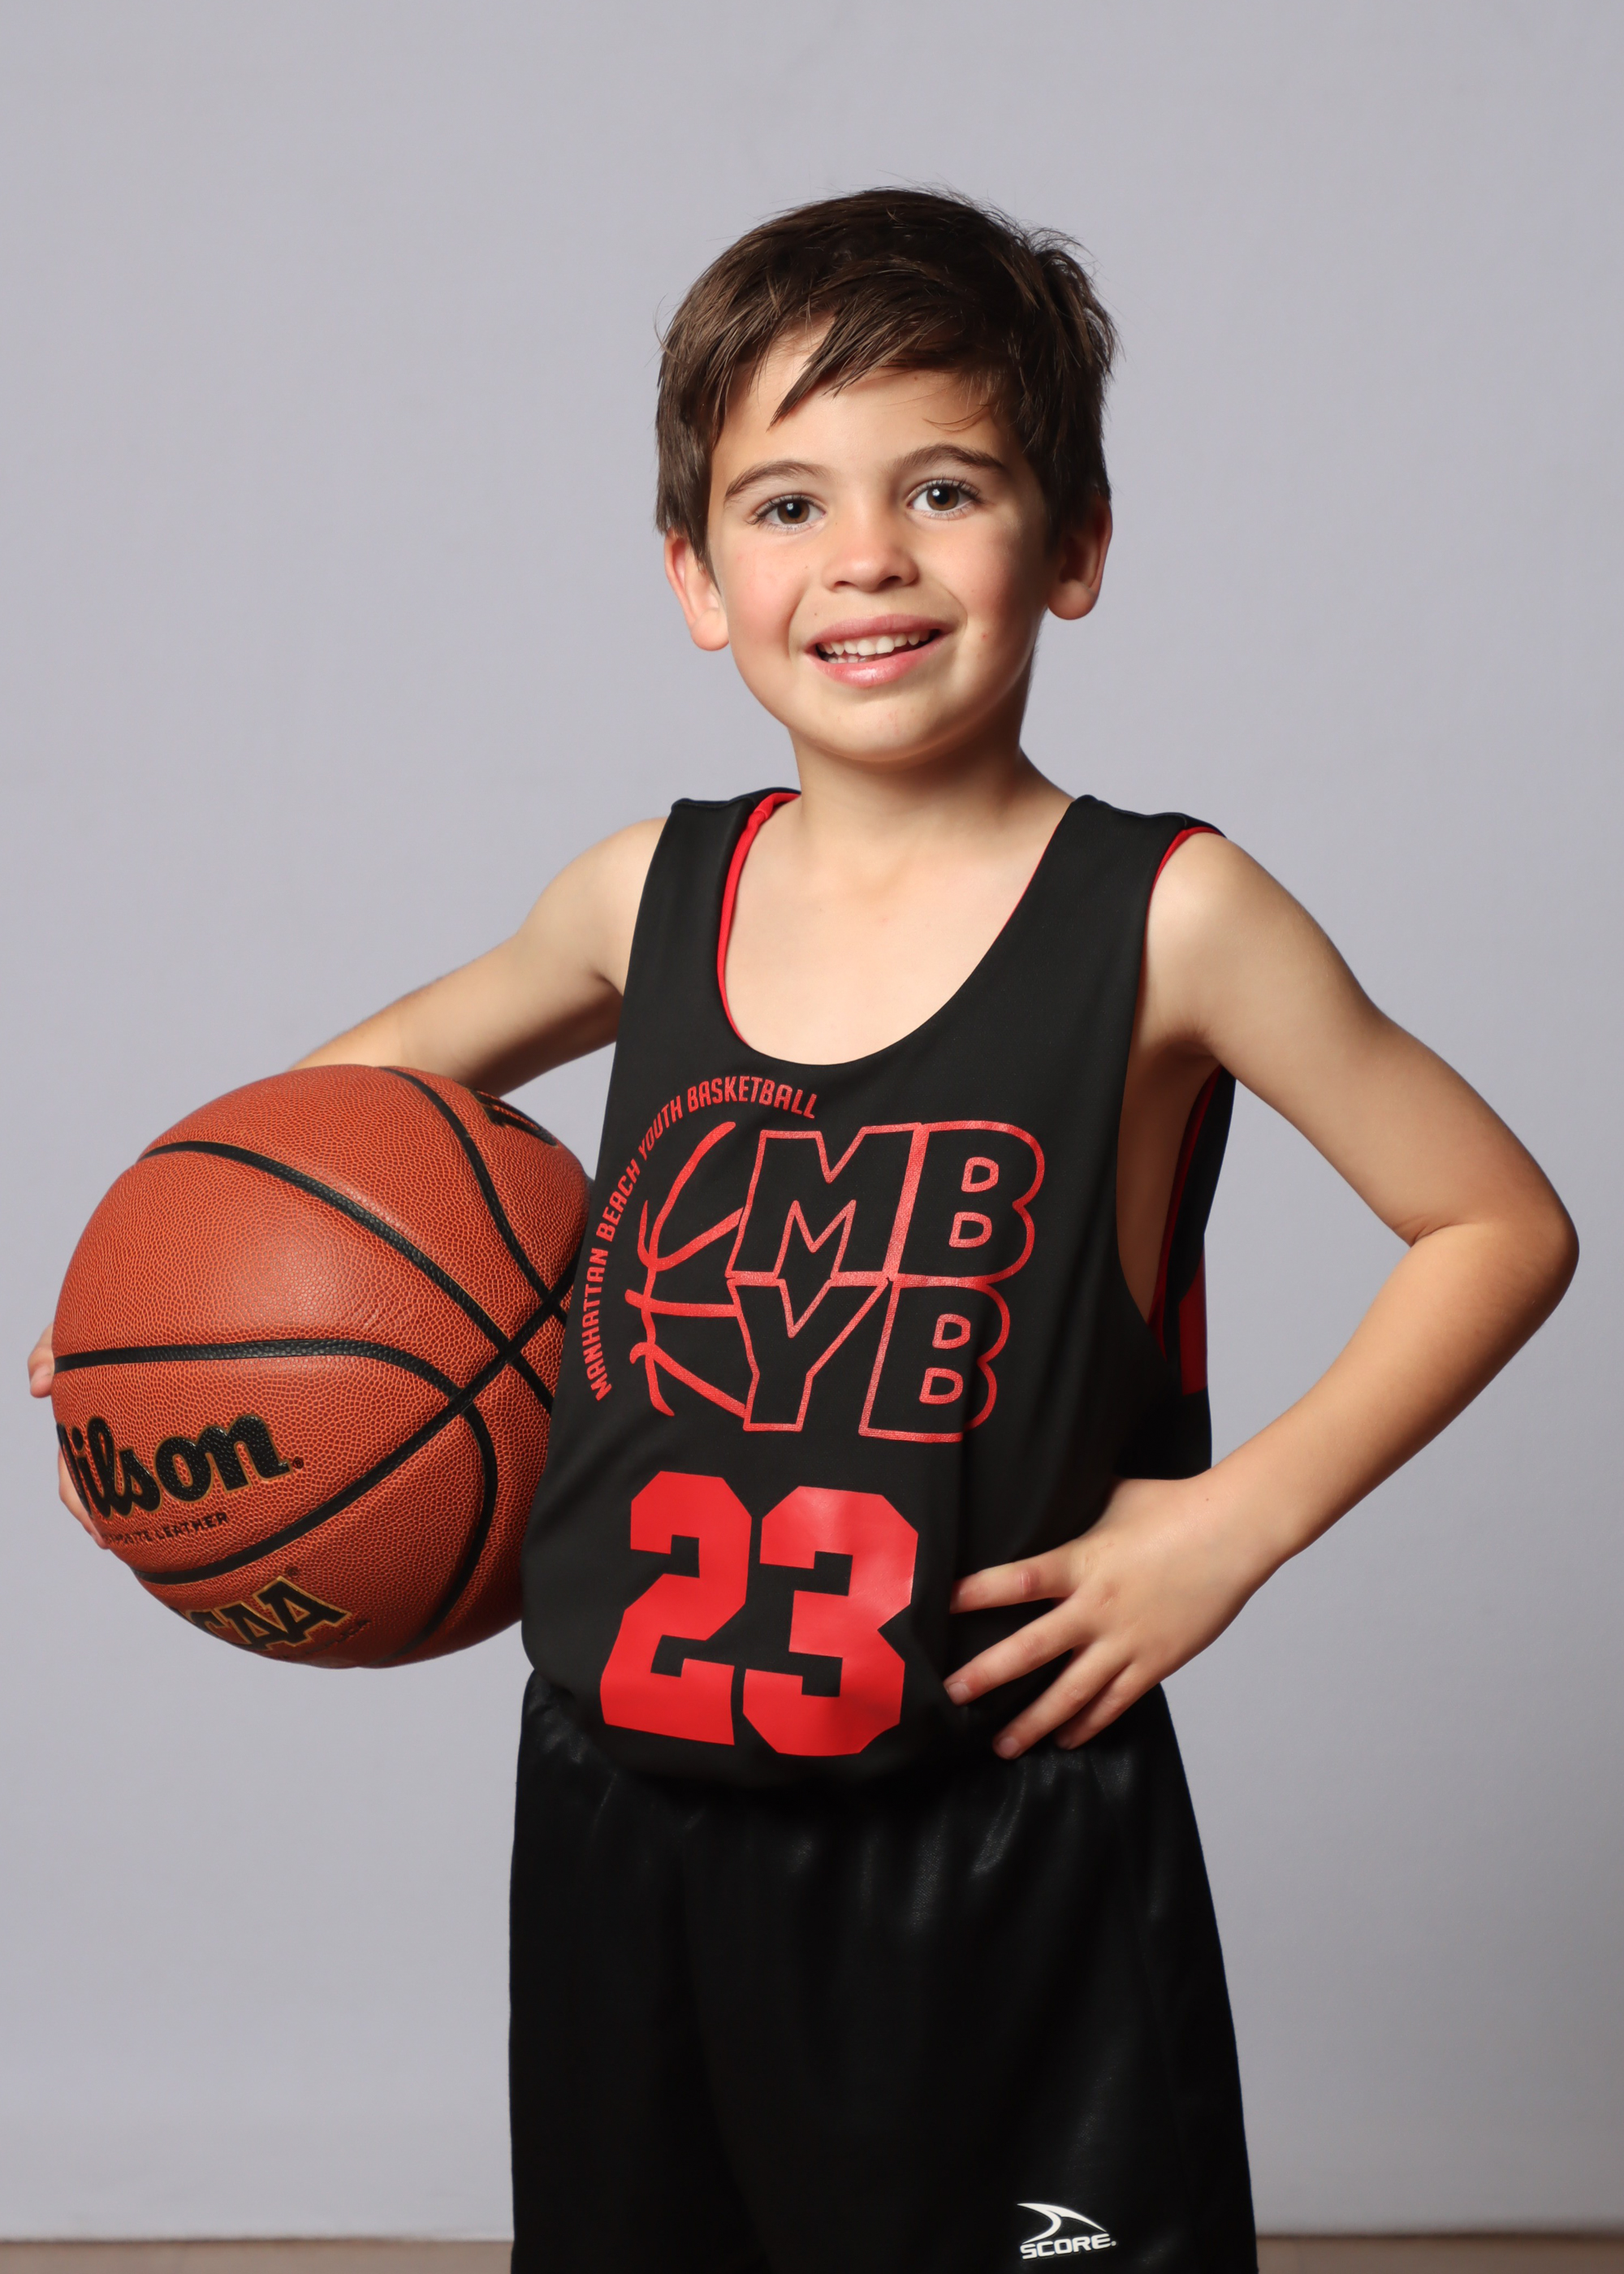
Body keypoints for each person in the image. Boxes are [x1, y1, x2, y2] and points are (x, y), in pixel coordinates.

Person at [30, 189, 1577, 2273]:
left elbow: (1492, 1219)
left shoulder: (1169, 914)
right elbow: (311, 1137)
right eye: (785, 502)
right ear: (695, 574)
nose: (865, 556)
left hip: (992, 1817)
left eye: (944, 488)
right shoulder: (643, 892)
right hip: (624, 1807)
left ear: (1075, 542)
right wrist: (154, 1341)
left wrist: (1237, 1521)